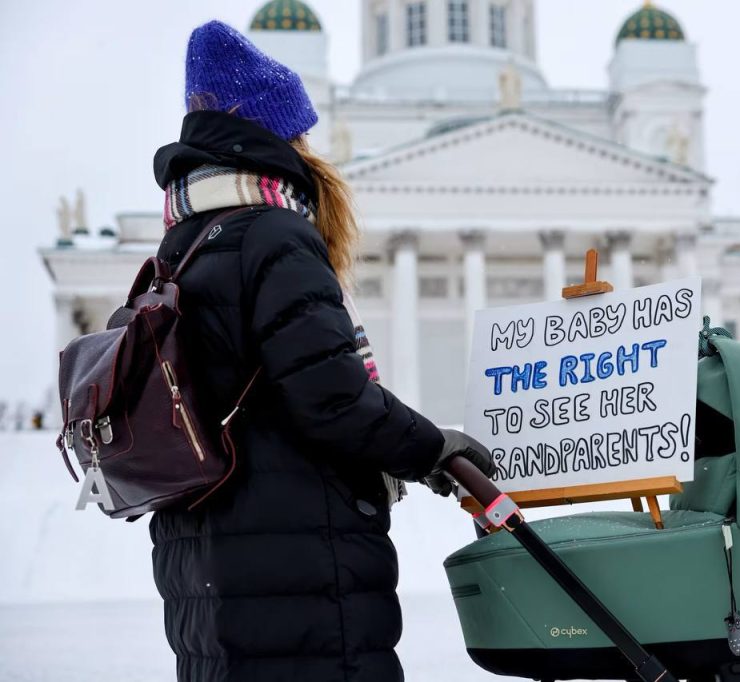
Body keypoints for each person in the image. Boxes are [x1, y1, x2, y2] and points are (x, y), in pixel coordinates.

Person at [149, 21, 495, 682]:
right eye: (301, 131)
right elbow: (332, 397)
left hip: (209, 573)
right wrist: (433, 448)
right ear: (278, 136)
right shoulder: (274, 236)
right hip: (301, 572)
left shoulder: (183, 245)